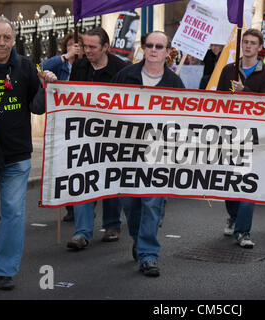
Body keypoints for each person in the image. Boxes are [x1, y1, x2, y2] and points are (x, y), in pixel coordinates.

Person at [0, 16, 57, 290]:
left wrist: (47, 87)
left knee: (13, 211)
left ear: (14, 39)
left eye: (7, 38)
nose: (2, 43)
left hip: (16, 154)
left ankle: (5, 269)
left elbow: (38, 108)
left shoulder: (23, 68)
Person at [112, 31, 185, 277]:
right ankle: (138, 237)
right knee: (131, 203)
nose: (154, 49)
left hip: (159, 153)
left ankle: (148, 255)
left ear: (167, 51)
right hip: (127, 150)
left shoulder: (174, 84)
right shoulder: (126, 75)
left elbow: (185, 119)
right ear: (144, 48)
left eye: (159, 46)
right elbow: (107, 106)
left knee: (152, 202)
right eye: (150, 45)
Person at [66, 27, 131, 250]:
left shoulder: (122, 70)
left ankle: (112, 224)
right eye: (85, 46)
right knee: (83, 180)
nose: (87, 50)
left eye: (92, 47)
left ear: (105, 47)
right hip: (84, 134)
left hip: (113, 136)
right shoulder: (80, 65)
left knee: (110, 179)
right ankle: (82, 232)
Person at [217, 28, 265, 249]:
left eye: (253, 43)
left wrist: (245, 91)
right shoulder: (228, 70)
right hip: (230, 133)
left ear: (260, 48)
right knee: (229, 182)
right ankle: (233, 215)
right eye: (245, 42)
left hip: (254, 134)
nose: (248, 46)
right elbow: (220, 102)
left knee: (248, 183)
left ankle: (244, 231)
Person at [42, 32, 84, 222]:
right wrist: (66, 57)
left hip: (83, 123)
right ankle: (70, 206)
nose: (74, 49)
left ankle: (82, 203)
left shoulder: (86, 67)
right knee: (65, 164)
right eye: (69, 46)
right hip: (63, 123)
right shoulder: (60, 66)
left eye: (77, 46)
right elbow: (41, 68)